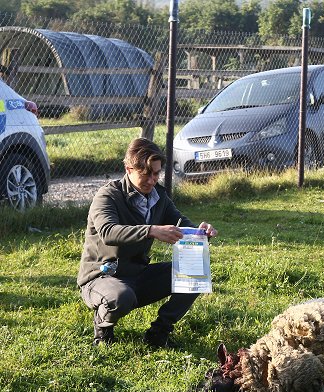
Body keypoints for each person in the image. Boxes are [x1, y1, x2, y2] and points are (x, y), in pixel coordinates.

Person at [77, 137, 218, 347]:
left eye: (156, 173)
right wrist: (151, 230)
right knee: (121, 297)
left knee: (193, 274)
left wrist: (200, 232)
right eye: (146, 173)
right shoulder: (107, 196)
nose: (152, 180)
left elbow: (179, 221)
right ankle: (103, 329)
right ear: (128, 169)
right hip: (101, 277)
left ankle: (158, 333)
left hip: (138, 275)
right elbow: (109, 232)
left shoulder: (157, 196)